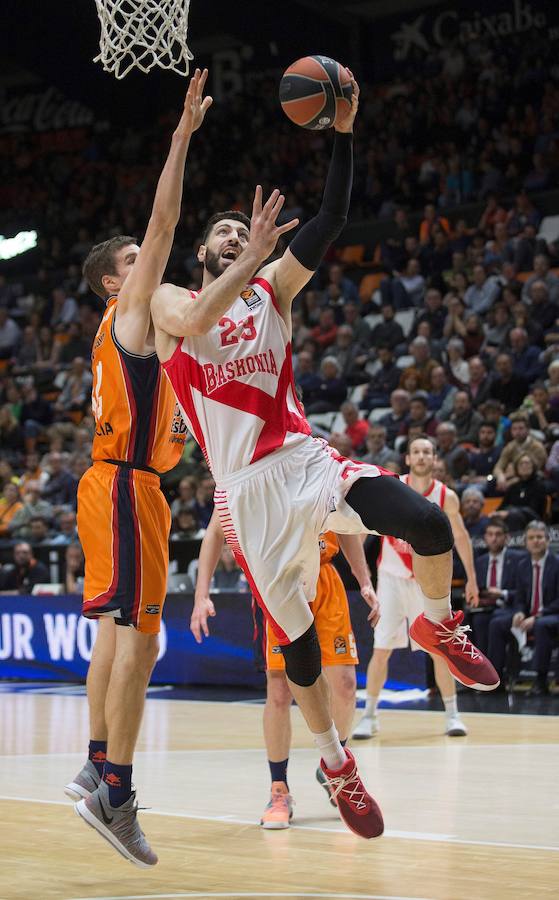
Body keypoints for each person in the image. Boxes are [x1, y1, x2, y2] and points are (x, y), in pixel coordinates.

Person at [151, 76, 498, 841]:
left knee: (422, 522)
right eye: (224, 234)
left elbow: (335, 215)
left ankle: (440, 626)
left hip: (305, 461)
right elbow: (203, 309)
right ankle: (333, 764)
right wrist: (250, 260)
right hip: (246, 496)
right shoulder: (172, 305)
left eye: (242, 232)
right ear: (203, 253)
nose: (236, 238)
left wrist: (342, 127)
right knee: (297, 653)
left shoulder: (271, 288)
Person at [67, 70, 212, 867]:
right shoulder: (129, 306)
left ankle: (99, 764)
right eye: (133, 258)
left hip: (121, 482)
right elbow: (164, 220)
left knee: (119, 638)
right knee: (140, 641)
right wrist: (181, 138)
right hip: (124, 484)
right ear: (116, 283)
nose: (144, 255)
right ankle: (113, 793)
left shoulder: (122, 328)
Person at [192, 511, 378, 829]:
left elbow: (345, 523)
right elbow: (214, 531)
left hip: (326, 578)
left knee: (345, 684)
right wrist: (201, 594)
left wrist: (364, 581)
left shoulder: (320, 462)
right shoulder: (248, 468)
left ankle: (336, 765)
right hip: (279, 581)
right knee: (280, 690)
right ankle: (279, 790)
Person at [353, 436, 480, 741]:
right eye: (417, 452)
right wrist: (362, 575)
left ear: (435, 459)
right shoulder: (393, 487)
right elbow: (361, 531)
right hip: (392, 578)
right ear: (408, 459)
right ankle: (369, 716)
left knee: (439, 650)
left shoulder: (446, 495)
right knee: (381, 648)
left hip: (427, 584)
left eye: (428, 452)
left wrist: (473, 578)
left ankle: (452, 714)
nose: (422, 456)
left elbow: (461, 537)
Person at [488, 521, 559, 692]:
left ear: (548, 541)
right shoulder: (522, 565)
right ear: (526, 542)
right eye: (531, 538)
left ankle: (540, 681)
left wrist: (537, 617)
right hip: (528, 615)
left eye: (539, 537)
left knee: (542, 625)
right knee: (497, 623)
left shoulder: (556, 564)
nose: (535, 541)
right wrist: (519, 612)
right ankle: (495, 680)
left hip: (552, 614)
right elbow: (520, 597)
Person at [471, 518, 524, 655]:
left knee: (494, 621)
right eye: (490, 534)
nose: (494, 538)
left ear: (506, 537)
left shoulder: (519, 559)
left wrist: (502, 593)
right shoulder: (479, 562)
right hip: (484, 607)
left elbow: (524, 591)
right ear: (485, 537)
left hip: (508, 606)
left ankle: (496, 672)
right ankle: (479, 668)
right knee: (476, 620)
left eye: (498, 534)